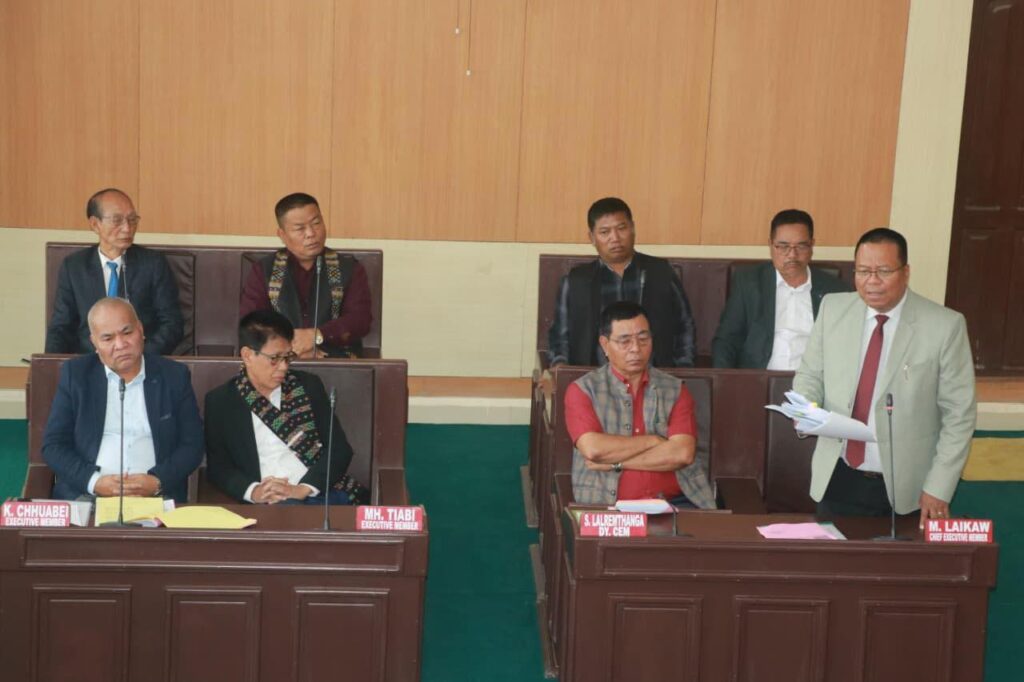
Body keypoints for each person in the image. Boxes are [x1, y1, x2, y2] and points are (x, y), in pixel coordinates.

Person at [793, 228, 976, 528]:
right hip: (838, 475)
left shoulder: (944, 326)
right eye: (863, 271)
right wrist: (805, 409)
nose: (872, 281)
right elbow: (810, 374)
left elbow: (959, 415)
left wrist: (939, 487)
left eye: (884, 271)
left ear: (906, 272)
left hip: (910, 488)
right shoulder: (833, 309)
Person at [42, 298, 203, 502]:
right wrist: (94, 482)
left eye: (127, 333)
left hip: (156, 497)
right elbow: (53, 445)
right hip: (88, 496)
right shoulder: (76, 375)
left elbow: (192, 445)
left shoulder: (173, 376)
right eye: (108, 338)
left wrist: (157, 481)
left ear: (141, 330)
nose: (120, 345)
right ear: (94, 343)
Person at [203, 310, 368, 505]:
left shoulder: (307, 387)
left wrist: (302, 489)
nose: (283, 367)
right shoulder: (221, 401)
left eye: (287, 357)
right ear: (247, 355)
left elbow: (339, 449)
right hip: (263, 503)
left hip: (314, 495)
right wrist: (253, 492)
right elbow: (219, 468)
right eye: (275, 358)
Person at [564, 301, 715, 507]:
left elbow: (682, 454)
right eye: (624, 341)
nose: (636, 349)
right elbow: (594, 450)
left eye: (643, 339)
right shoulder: (583, 390)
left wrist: (616, 463)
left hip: (676, 502)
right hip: (607, 505)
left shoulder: (675, 389)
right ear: (605, 344)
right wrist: (653, 441)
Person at [547, 197, 696, 367]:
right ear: (592, 237)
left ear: (633, 229)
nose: (615, 238)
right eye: (605, 232)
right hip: (594, 377)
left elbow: (684, 325)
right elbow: (559, 337)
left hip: (654, 376)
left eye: (621, 228)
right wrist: (561, 368)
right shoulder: (576, 282)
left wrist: (684, 367)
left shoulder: (661, 272)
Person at [45, 188, 184, 355]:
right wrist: (49, 364)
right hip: (89, 362)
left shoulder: (152, 264)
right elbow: (61, 327)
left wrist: (138, 356)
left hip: (139, 360)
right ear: (95, 224)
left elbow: (172, 324)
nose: (127, 228)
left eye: (132, 220)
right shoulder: (74, 267)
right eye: (117, 220)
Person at [239, 193, 372, 358]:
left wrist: (316, 336)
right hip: (279, 359)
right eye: (299, 228)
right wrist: (292, 347)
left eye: (316, 223)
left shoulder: (349, 268)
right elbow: (251, 323)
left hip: (333, 358)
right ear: (282, 235)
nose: (311, 233)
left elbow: (360, 319)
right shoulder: (264, 270)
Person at [712, 209, 850, 369]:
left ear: (812, 245)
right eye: (783, 247)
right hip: (760, 378)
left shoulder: (834, 290)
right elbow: (727, 340)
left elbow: (845, 346)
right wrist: (724, 380)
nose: (792, 255)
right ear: (771, 245)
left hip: (814, 381)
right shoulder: (749, 283)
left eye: (801, 246)